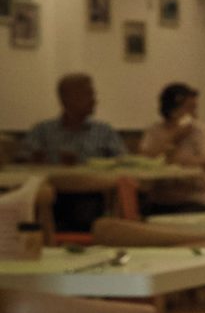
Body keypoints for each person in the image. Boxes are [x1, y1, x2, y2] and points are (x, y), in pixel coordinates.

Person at [21, 72, 126, 235]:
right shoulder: (42, 131)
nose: (94, 100)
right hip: (50, 197)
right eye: (87, 94)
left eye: (93, 94)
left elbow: (123, 162)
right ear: (66, 98)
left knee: (85, 207)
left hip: (91, 198)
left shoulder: (104, 131)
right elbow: (22, 162)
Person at [139, 82, 205, 210]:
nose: (194, 114)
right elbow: (146, 157)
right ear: (173, 109)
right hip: (159, 198)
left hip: (193, 198)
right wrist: (174, 137)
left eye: (194, 109)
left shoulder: (199, 129)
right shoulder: (154, 130)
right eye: (189, 109)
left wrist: (176, 161)